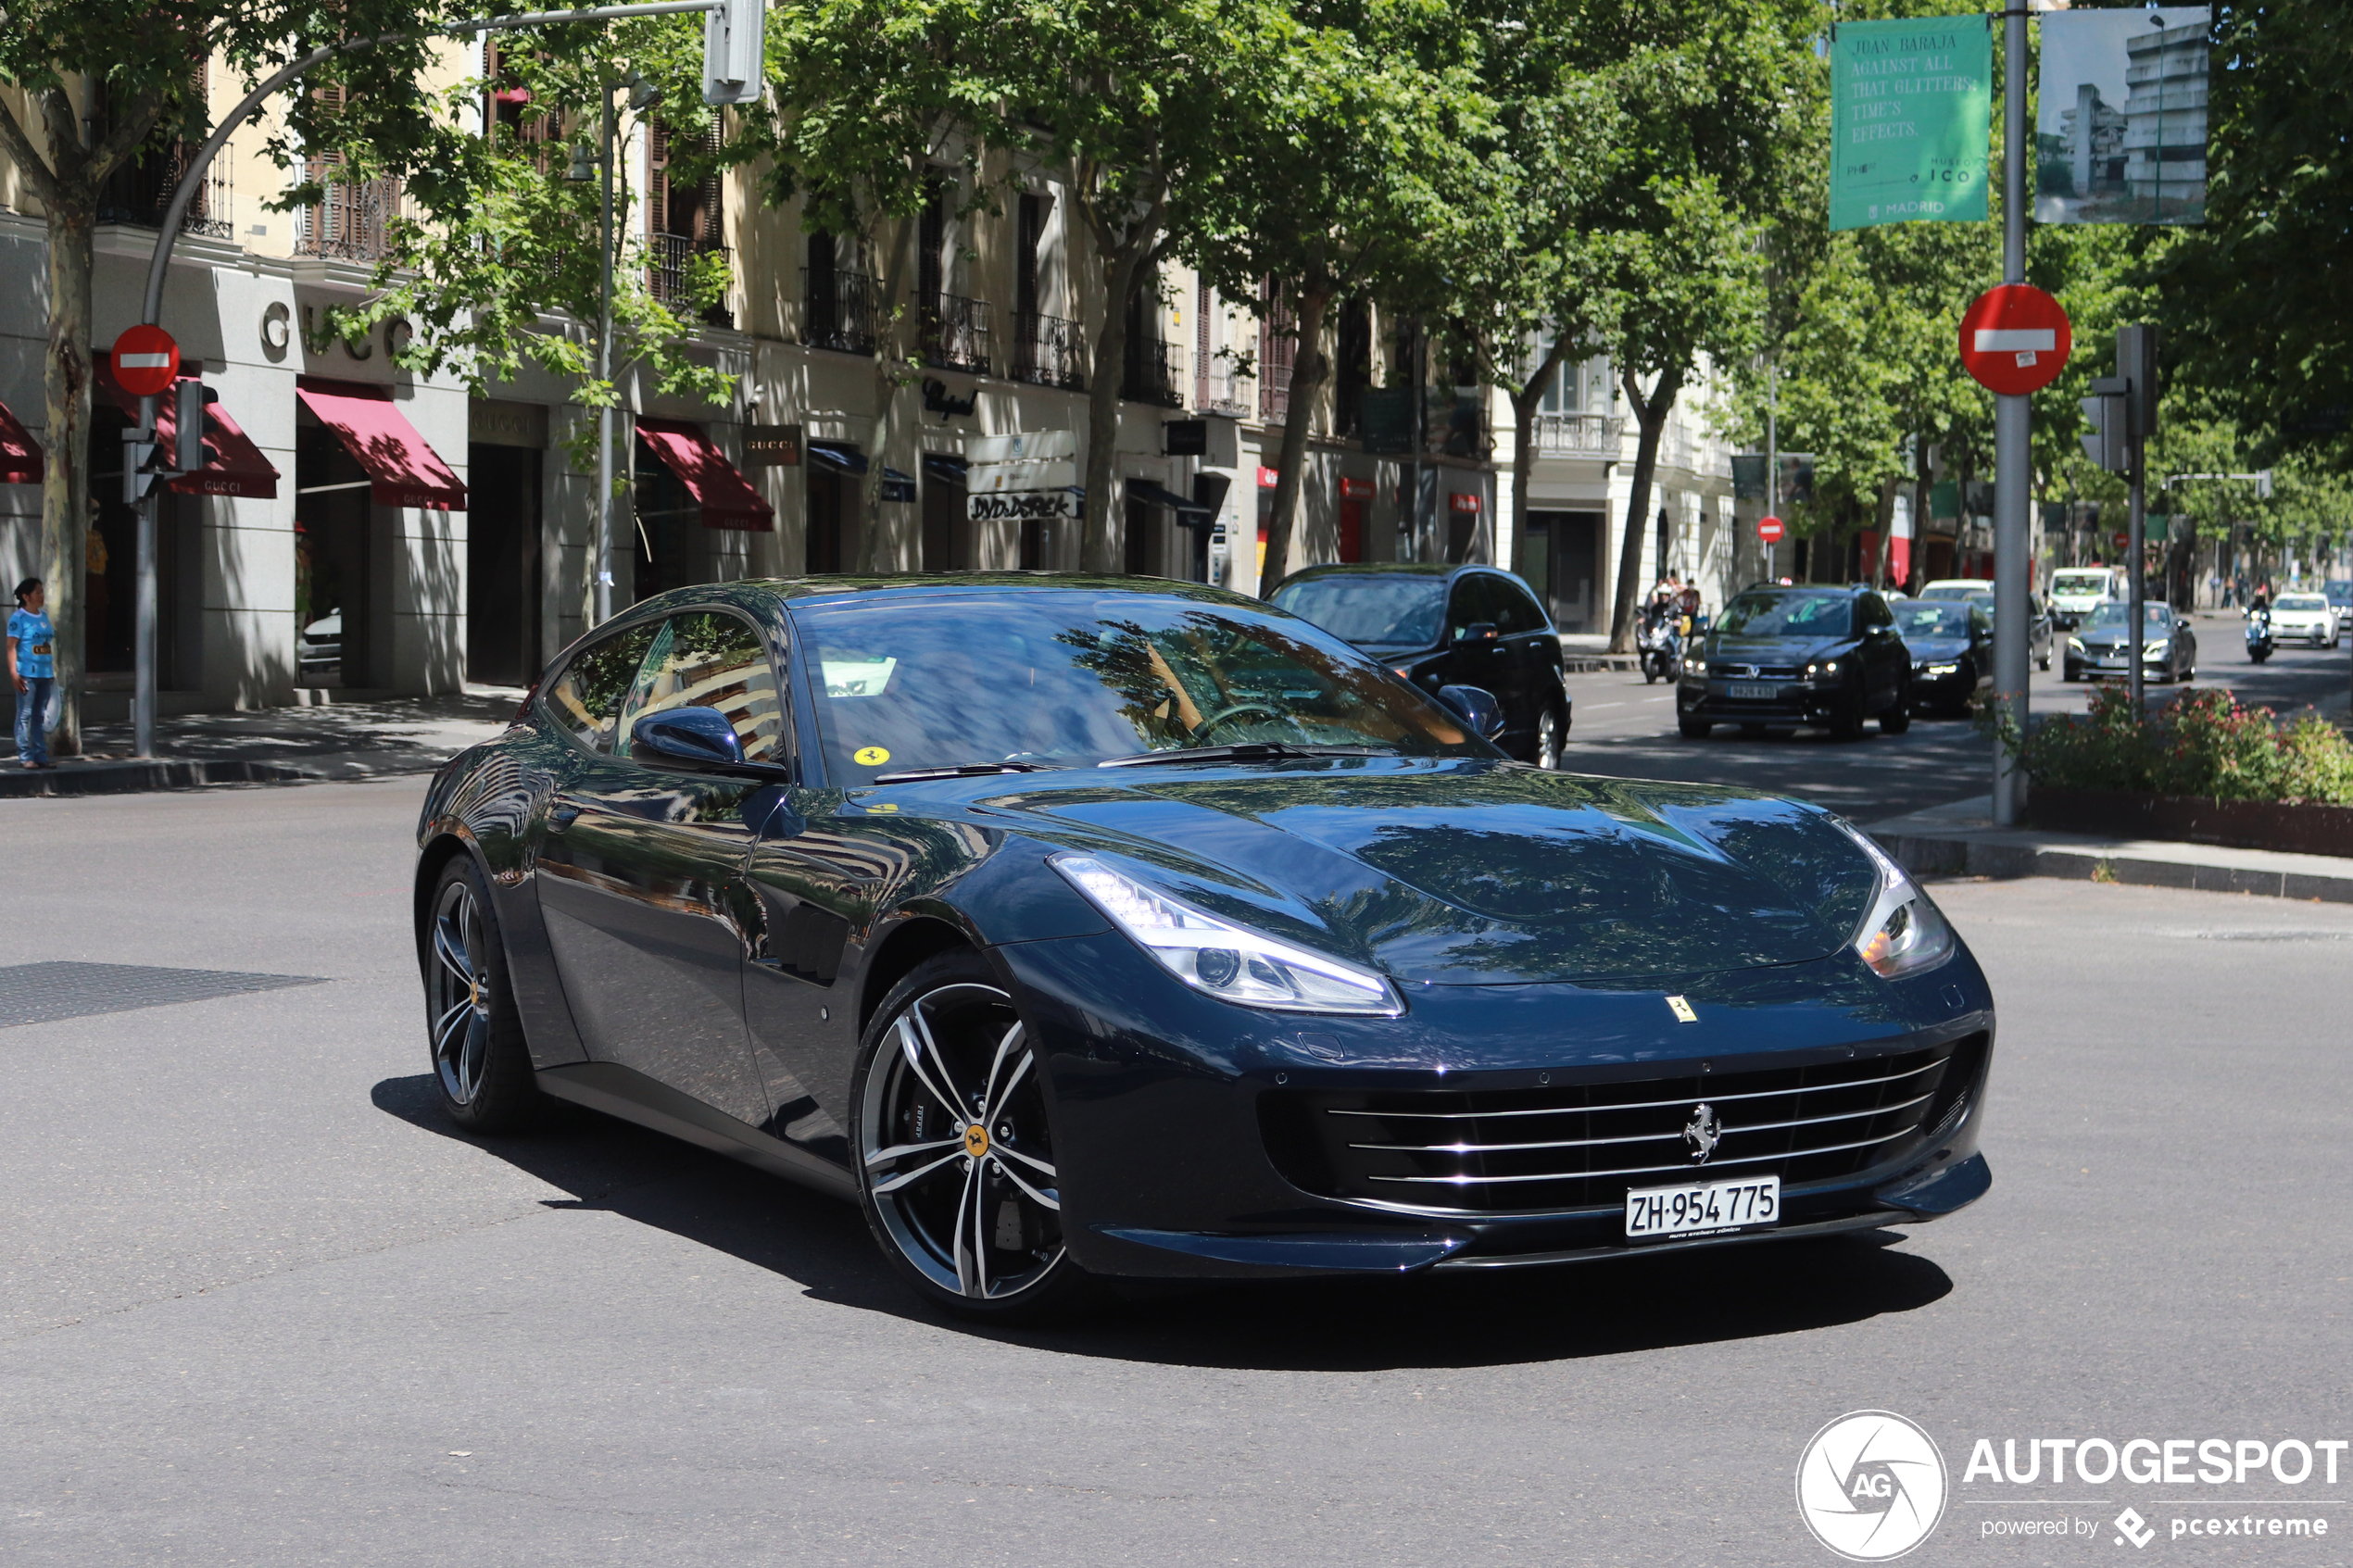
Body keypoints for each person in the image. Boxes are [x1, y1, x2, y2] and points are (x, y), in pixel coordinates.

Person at [8, 576, 57, 770]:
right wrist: (14, 674)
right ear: (26, 596)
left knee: (39, 715)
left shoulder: (43, 616)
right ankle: (24, 755)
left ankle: (40, 754)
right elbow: (11, 647)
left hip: (45, 673)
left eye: (42, 591)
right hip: (27, 673)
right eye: (37, 592)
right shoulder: (18, 618)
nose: (41, 595)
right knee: (25, 714)